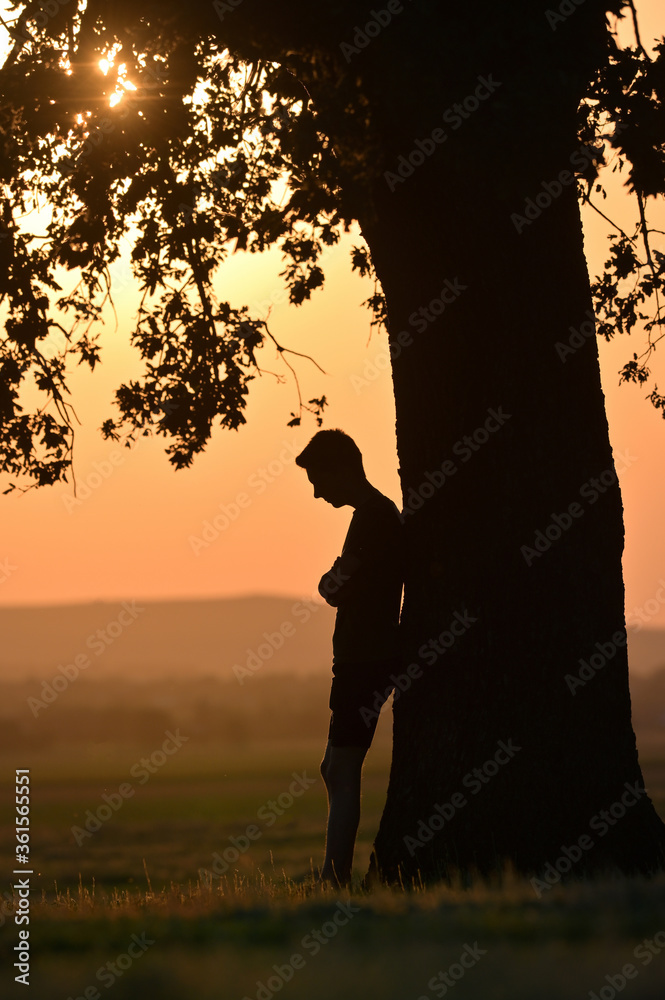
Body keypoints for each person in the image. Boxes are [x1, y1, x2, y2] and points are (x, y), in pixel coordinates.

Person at [295, 428, 404, 885]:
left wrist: (331, 582)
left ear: (343, 469)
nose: (318, 494)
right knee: (333, 767)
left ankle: (333, 877)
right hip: (360, 659)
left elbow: (337, 586)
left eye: (320, 481)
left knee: (340, 767)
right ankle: (333, 874)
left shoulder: (374, 518)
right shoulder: (374, 516)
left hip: (366, 660)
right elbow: (339, 581)